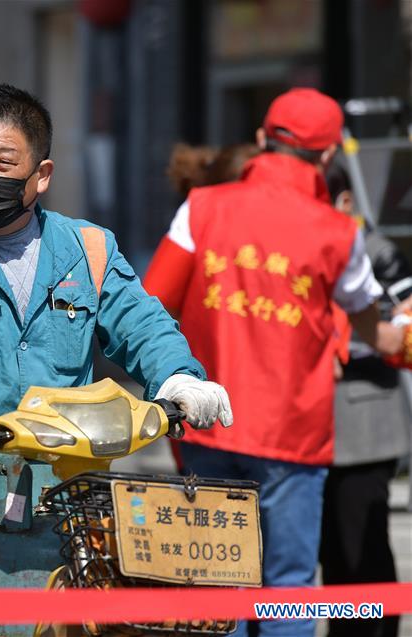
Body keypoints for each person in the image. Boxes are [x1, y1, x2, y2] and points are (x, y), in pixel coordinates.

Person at [0, 84, 234, 633]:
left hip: (63, 512)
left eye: (3, 161)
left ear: (41, 175)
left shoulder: (88, 249)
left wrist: (180, 375)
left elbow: (141, 322)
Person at [143, 88, 408, 637]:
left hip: (208, 426)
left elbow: (150, 305)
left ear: (263, 139)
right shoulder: (340, 234)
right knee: (288, 589)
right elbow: (377, 334)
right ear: (329, 156)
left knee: (218, 586)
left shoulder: (203, 207)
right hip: (293, 436)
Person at [319, 163, 411, 637]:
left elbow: (408, 326)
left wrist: (343, 346)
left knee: (365, 551)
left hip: (366, 426)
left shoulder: (377, 252)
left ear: (346, 203)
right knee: (332, 553)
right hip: (312, 424)